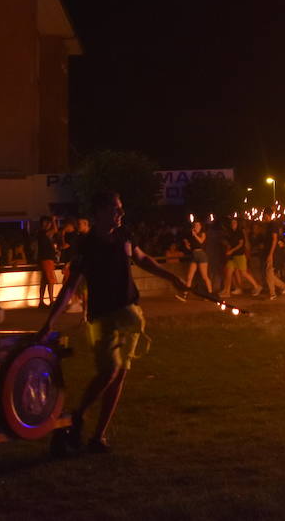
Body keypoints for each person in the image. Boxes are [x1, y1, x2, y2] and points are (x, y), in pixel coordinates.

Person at [40, 191, 191, 453]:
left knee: (120, 373)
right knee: (109, 371)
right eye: (115, 209)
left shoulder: (125, 235)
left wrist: (171, 277)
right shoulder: (87, 245)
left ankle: (98, 436)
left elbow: (142, 259)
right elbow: (72, 285)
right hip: (102, 317)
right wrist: (50, 321)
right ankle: (78, 415)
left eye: (121, 208)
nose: (120, 213)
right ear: (98, 213)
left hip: (129, 312)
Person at [220, 216, 262, 296]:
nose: (233, 224)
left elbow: (241, 244)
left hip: (239, 255)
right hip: (232, 257)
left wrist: (231, 251)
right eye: (232, 223)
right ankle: (227, 291)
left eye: (235, 223)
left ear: (237, 224)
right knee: (228, 273)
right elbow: (230, 243)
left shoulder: (239, 232)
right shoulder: (231, 232)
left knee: (243, 273)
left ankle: (257, 286)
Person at [182, 219, 213, 295]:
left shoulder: (202, 234)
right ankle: (185, 294)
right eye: (195, 225)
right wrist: (186, 244)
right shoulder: (191, 235)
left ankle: (210, 293)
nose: (196, 226)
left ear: (200, 226)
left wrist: (195, 235)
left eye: (198, 225)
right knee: (189, 276)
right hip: (194, 255)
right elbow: (190, 247)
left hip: (201, 255)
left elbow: (201, 241)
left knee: (204, 276)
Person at [35, 215, 60, 307]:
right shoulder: (43, 233)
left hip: (43, 259)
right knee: (50, 281)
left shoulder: (40, 233)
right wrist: (54, 220)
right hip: (47, 259)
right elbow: (55, 231)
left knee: (44, 281)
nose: (49, 224)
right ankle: (51, 301)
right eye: (48, 222)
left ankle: (41, 301)